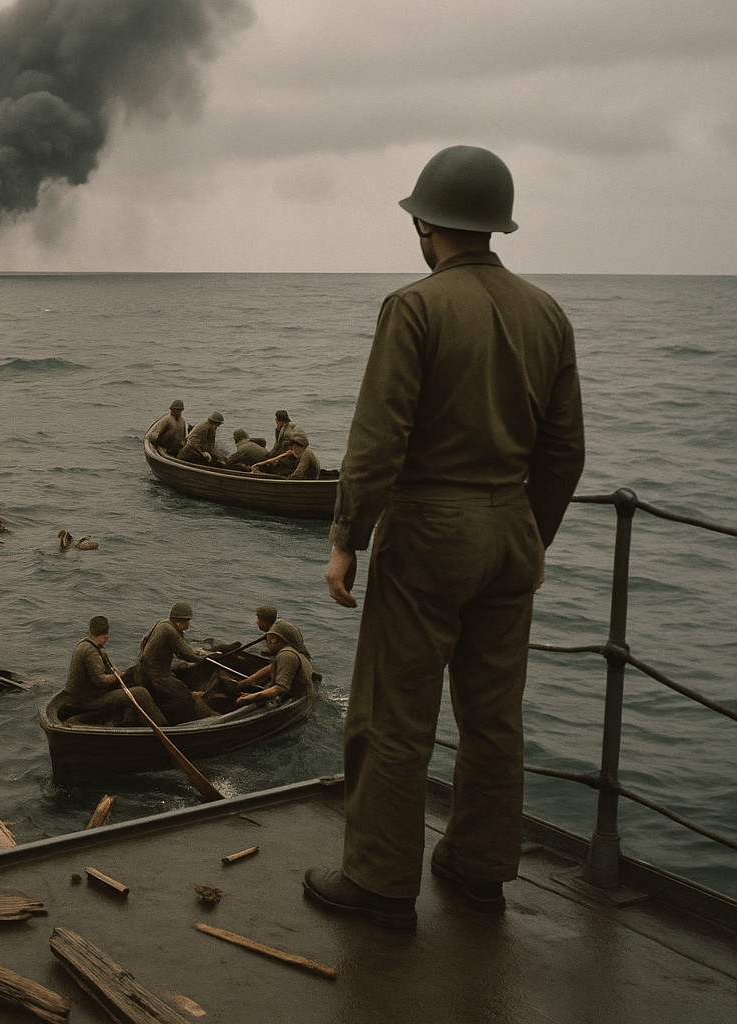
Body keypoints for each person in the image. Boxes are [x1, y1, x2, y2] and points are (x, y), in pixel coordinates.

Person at [305, 145, 585, 929]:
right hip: (513, 532)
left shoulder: (414, 307)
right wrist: (529, 533)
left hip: (429, 530)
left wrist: (347, 537)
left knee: (394, 713)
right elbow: (566, 451)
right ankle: (479, 868)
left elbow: (378, 440)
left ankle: (380, 881)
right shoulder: (547, 312)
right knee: (494, 717)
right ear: (496, 226)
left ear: (425, 223)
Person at [58, 616, 166, 726]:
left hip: (80, 696)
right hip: (88, 701)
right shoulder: (90, 651)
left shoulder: (84, 644)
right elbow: (101, 681)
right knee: (141, 693)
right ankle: (163, 725)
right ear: (105, 636)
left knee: (130, 684)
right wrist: (116, 676)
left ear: (90, 631)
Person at [134, 601, 211, 724]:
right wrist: (205, 658)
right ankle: (174, 721)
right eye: (187, 621)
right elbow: (187, 654)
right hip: (156, 676)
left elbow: (145, 643)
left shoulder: (162, 624)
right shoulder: (170, 631)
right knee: (183, 697)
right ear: (180, 621)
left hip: (146, 671)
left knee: (179, 686)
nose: (189, 625)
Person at [234, 621, 314, 706]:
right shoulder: (292, 652)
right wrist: (246, 682)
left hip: (290, 697)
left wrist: (249, 698)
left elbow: (279, 689)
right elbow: (271, 667)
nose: (266, 642)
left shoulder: (287, 656)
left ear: (273, 639)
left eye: (267, 638)